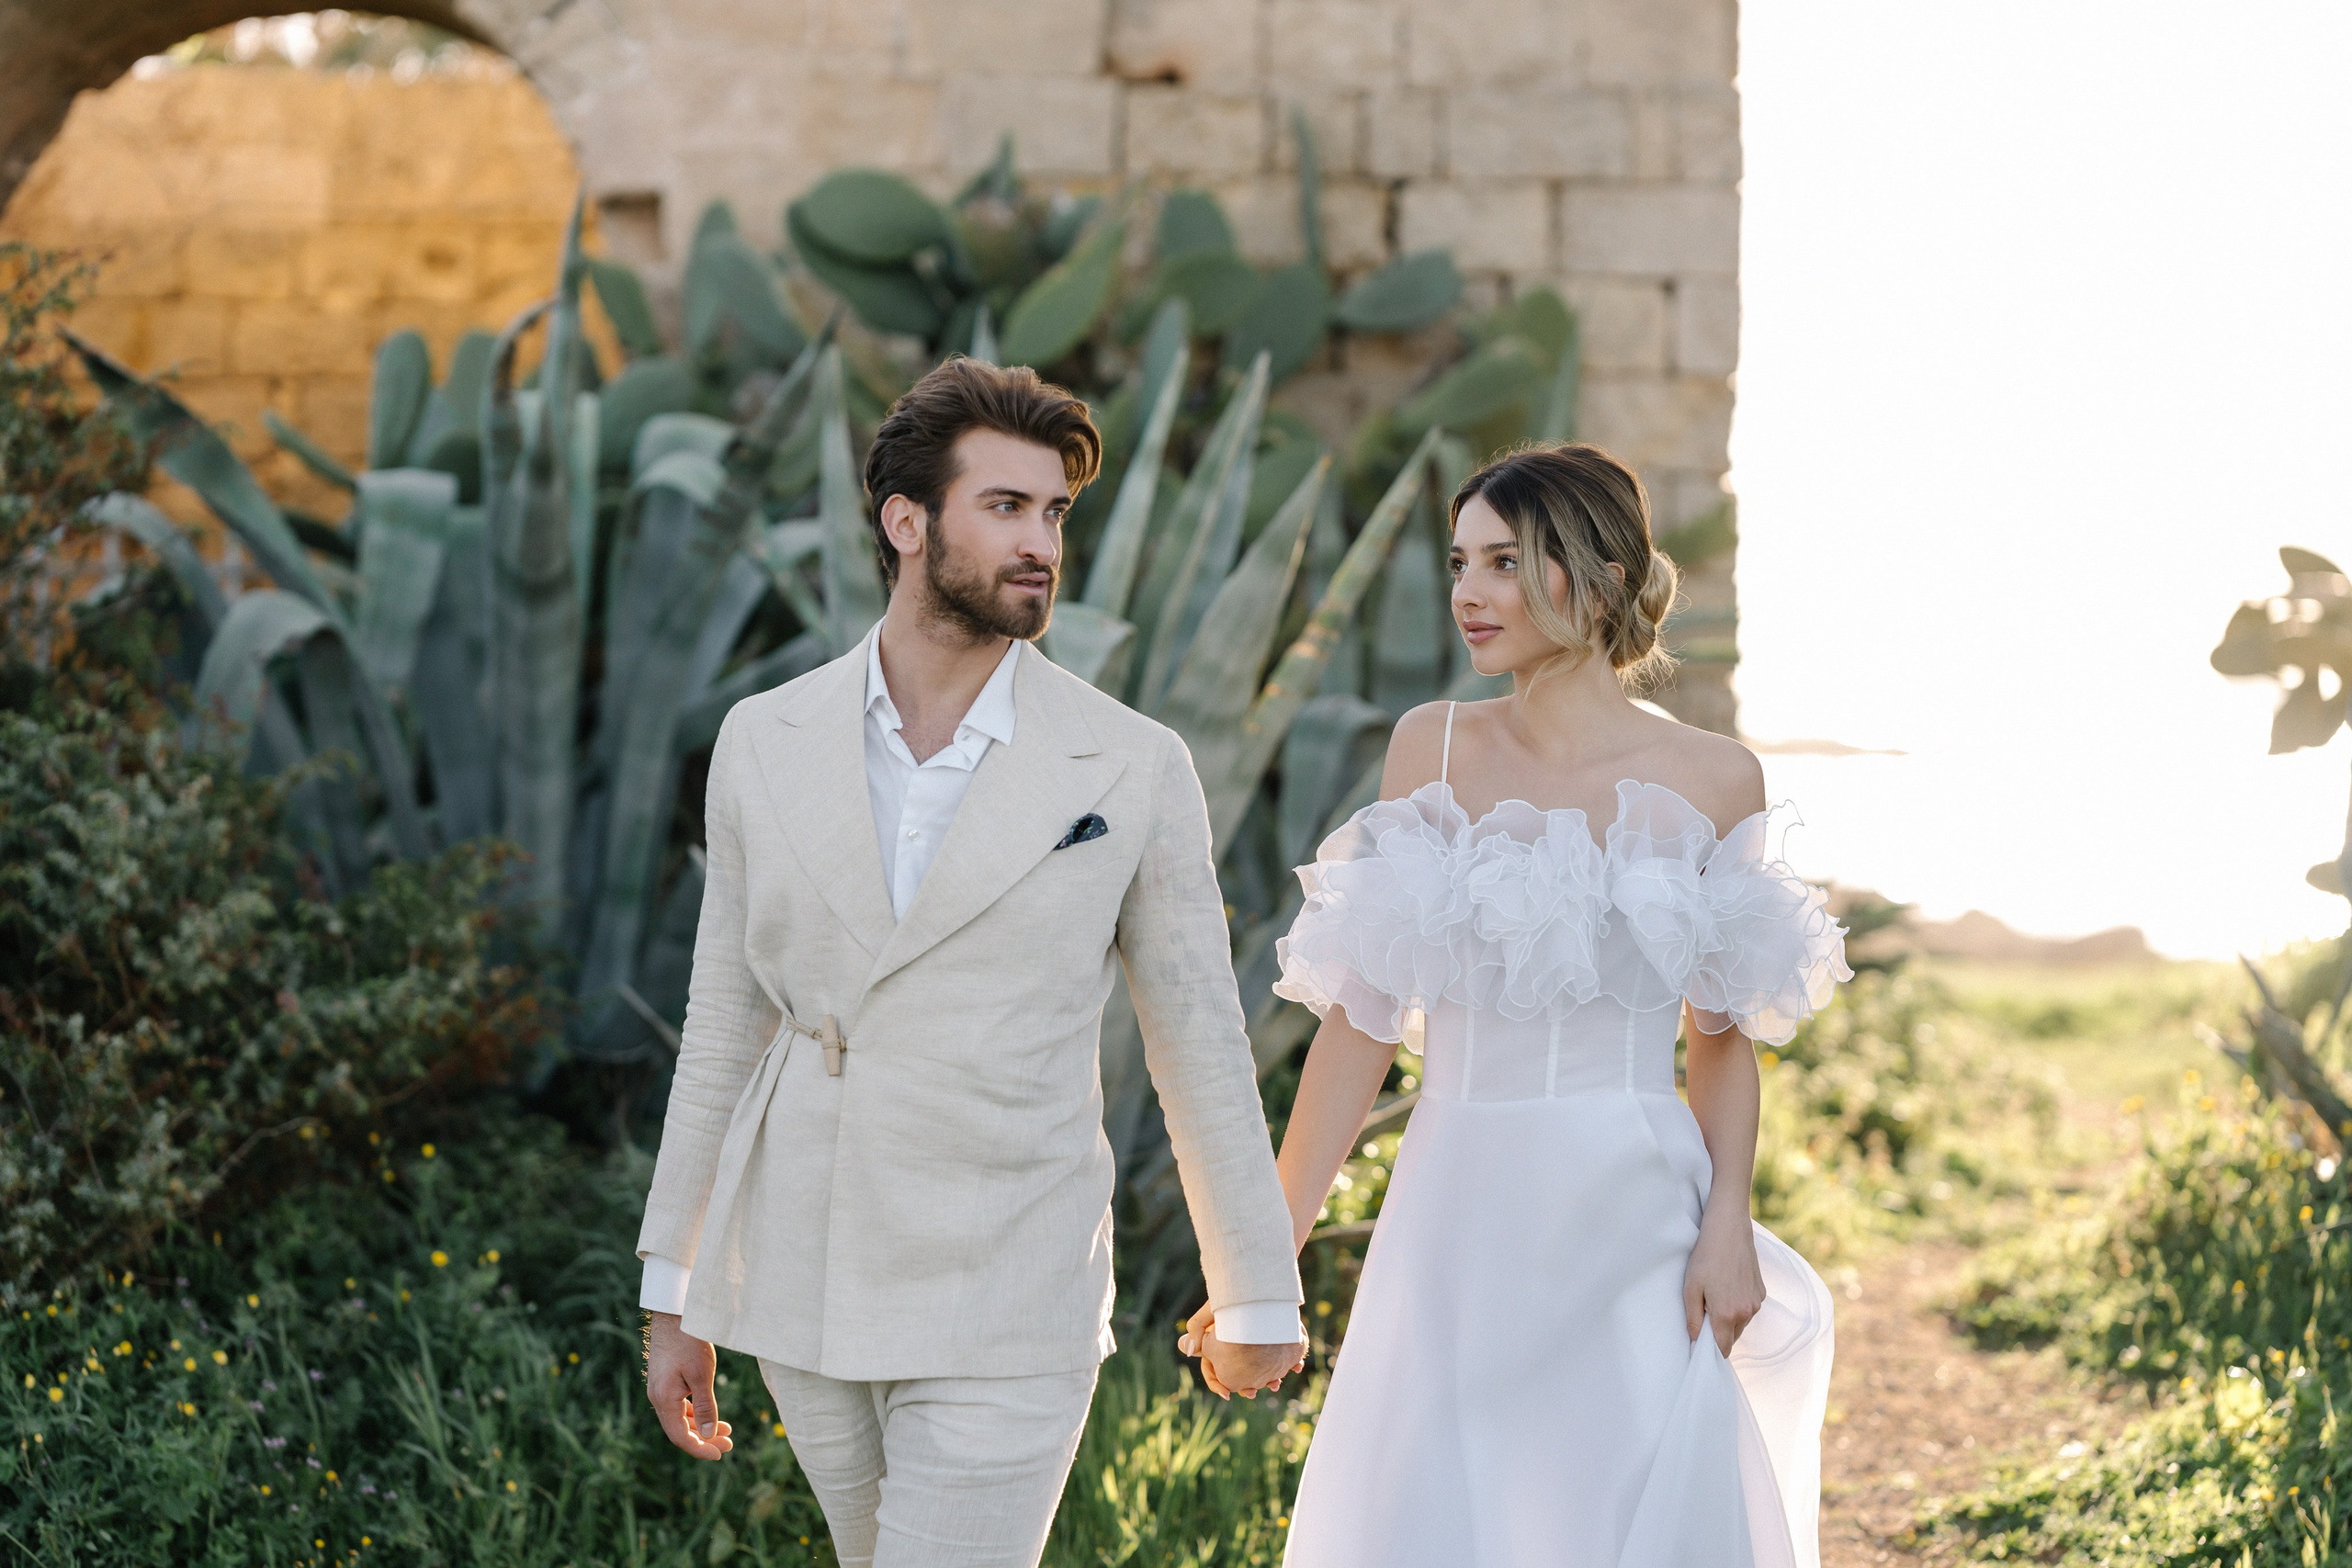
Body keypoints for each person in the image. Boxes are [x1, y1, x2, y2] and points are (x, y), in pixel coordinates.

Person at [636, 357, 1306, 1568]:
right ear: (908, 522)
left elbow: (1198, 1037)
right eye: (1006, 505)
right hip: (804, 1269)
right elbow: (726, 1019)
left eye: (1054, 512)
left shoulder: (1128, 762)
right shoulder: (762, 739)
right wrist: (673, 1282)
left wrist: (1256, 1288)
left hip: (1011, 1277)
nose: (1041, 539)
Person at [1214, 443, 1849, 1566]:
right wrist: (1266, 1258)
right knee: (1444, 1507)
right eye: (1460, 561)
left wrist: (1726, 1228)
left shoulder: (1716, 778)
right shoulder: (1432, 747)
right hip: (1456, 1208)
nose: (1469, 592)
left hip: (1636, 1215)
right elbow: (1359, 1026)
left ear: (1598, 575)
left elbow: (1720, 1043)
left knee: (1613, 1507)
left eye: (1506, 561)